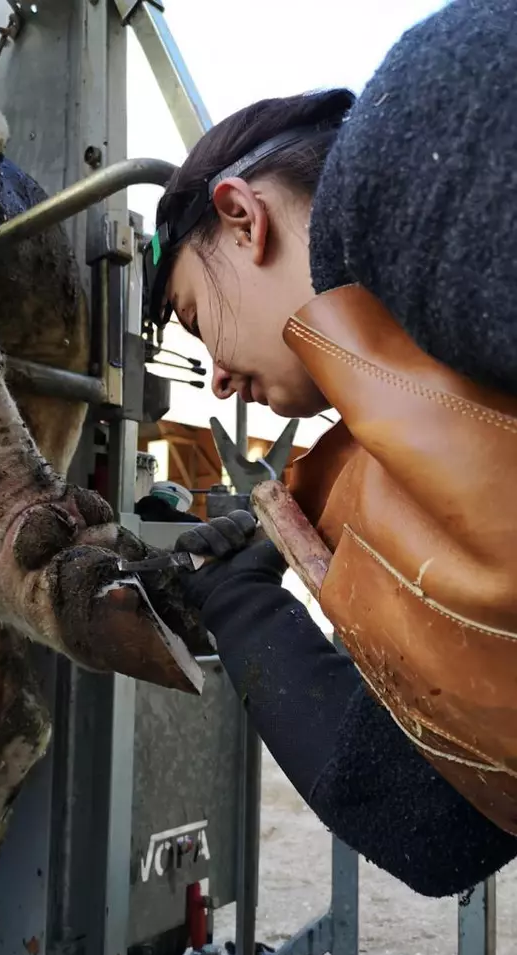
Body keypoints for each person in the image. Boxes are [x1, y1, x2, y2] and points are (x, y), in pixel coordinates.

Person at [142, 0, 517, 897]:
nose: (220, 381)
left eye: (198, 318)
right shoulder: (407, 413)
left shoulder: (423, 129)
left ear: (240, 216)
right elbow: (433, 825)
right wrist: (235, 601)